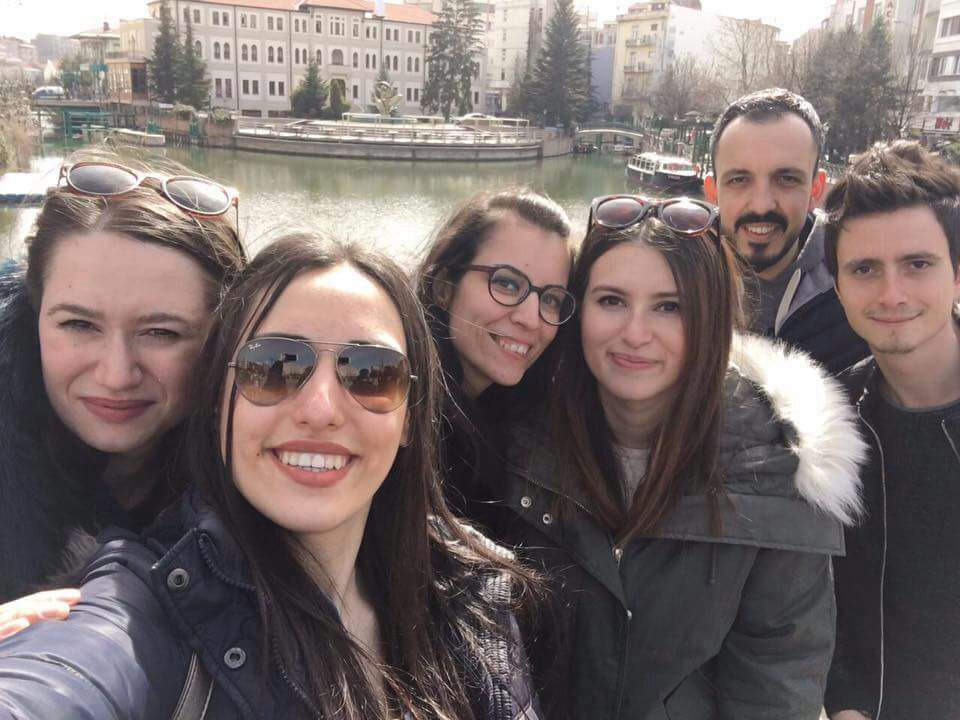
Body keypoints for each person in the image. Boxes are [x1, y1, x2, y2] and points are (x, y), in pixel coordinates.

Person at [0, 233, 541, 720]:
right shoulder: (146, 605)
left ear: (409, 419)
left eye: (371, 373)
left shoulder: (471, 597)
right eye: (275, 365)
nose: (321, 409)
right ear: (219, 400)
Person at [500, 195, 866, 719]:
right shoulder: (516, 437)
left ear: (712, 321)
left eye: (669, 307)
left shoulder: (775, 474)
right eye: (611, 301)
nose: (635, 333)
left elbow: (774, 687)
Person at [0, 152, 245, 604]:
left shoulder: (265, 483)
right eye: (79, 325)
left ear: (221, 342)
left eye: (161, 333)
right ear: (34, 319)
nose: (116, 375)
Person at [823, 141, 960, 720]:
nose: (892, 293)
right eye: (864, 269)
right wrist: (843, 702)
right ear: (838, 288)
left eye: (918, 264)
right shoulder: (828, 426)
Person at [415, 189, 575, 534]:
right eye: (506, 283)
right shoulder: (404, 418)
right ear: (444, 287)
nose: (531, 319)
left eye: (551, 299)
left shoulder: (520, 423)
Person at [704, 87, 868, 374]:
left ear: (816, 189)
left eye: (787, 179)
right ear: (712, 191)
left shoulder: (864, 289)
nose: (761, 204)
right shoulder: (675, 279)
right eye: (739, 180)